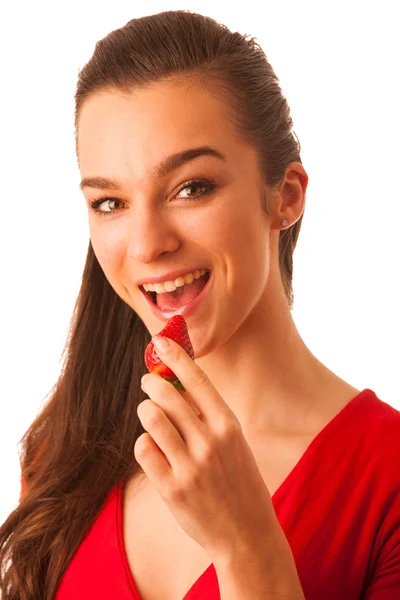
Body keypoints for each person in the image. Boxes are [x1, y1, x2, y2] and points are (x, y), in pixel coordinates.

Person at [1, 9, 399, 600]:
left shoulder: (385, 480)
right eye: (110, 202)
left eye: (192, 188)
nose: (146, 244)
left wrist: (247, 547)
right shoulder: (63, 448)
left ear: (284, 197)